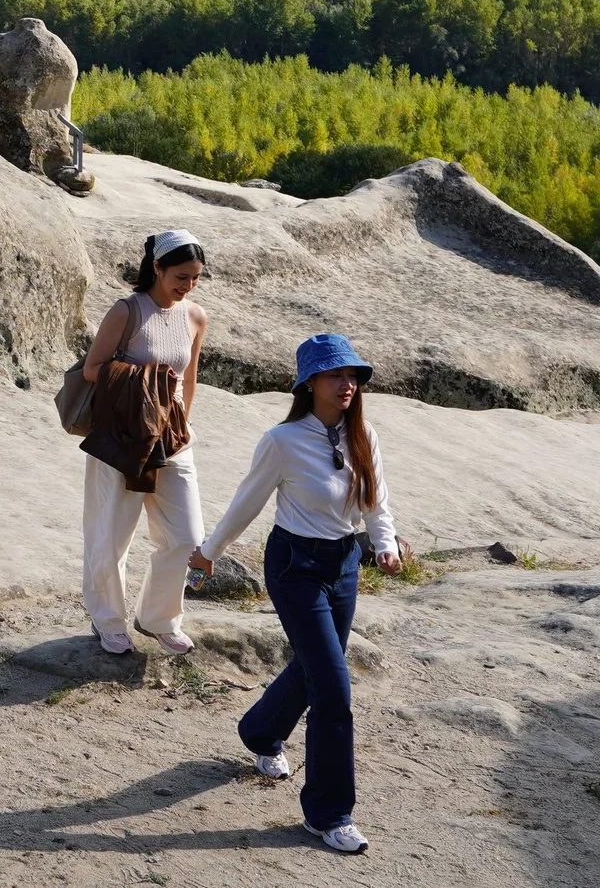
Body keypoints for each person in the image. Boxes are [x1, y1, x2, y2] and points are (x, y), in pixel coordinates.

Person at [189, 333, 404, 857]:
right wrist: (209, 551)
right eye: (335, 375)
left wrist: (385, 544)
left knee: (315, 666)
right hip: (295, 566)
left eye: (353, 375)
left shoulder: (364, 435)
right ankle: (329, 814)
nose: (347, 384)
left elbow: (374, 499)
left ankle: (261, 731)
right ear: (309, 384)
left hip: (345, 564)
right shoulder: (282, 441)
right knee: (334, 687)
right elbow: (247, 502)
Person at [79, 229, 209, 656]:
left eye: (195, 278)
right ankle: (107, 620)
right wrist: (147, 378)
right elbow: (92, 369)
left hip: (172, 437)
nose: (188, 286)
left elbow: (188, 380)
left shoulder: (195, 317)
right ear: (157, 268)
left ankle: (158, 618)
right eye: (181, 276)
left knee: (187, 536)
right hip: (124, 432)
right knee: (111, 534)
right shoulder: (127, 310)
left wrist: (182, 424)